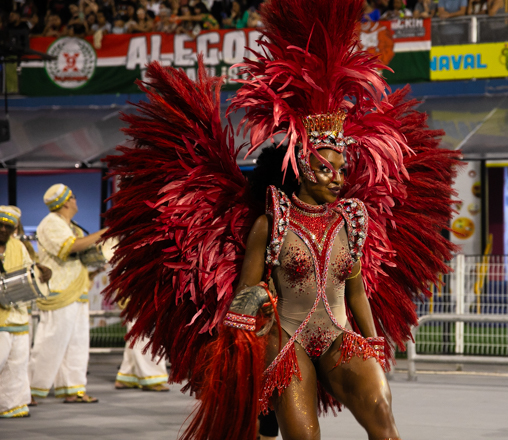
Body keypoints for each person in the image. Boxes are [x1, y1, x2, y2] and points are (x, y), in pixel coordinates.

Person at [103, 1, 460, 439]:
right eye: (326, 169)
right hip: (286, 341)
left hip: (337, 336)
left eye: (343, 170)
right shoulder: (271, 223)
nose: (337, 178)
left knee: (384, 425)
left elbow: (356, 287)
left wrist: (372, 339)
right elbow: (245, 292)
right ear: (301, 167)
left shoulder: (351, 219)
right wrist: (243, 344)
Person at [28, 184, 107, 404]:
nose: (75, 200)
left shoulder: (72, 225)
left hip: (77, 290)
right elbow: (70, 247)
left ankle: (73, 389)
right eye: (72, 196)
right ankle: (30, 389)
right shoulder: (51, 223)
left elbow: (81, 252)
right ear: (64, 202)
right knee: (50, 342)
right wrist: (104, 233)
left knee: (77, 343)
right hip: (59, 291)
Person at [0, 206, 51, 418]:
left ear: (14, 228)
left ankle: (11, 404)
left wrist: (42, 272)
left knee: (17, 364)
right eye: (0, 225)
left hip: (18, 315)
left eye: (7, 226)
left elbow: (29, 271)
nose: (3, 229)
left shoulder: (19, 247)